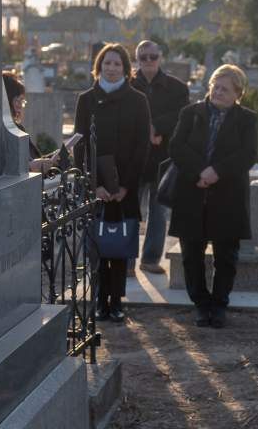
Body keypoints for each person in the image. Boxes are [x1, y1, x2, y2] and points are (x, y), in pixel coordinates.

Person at [168, 64, 257, 329]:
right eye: (215, 86)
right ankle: (201, 303)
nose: (218, 92)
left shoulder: (246, 119)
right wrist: (201, 170)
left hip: (227, 195)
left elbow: (248, 154)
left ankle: (219, 305)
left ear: (237, 93)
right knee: (191, 254)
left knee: (226, 256)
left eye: (225, 89)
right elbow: (176, 147)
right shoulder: (191, 113)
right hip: (192, 192)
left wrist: (217, 172)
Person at [73, 43, 151, 321]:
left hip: (124, 186)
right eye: (107, 63)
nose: (112, 68)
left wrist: (125, 186)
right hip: (97, 186)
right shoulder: (86, 99)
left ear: (127, 69)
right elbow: (79, 144)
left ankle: (116, 301)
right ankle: (97, 299)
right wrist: (94, 185)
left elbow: (142, 146)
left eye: (118, 64)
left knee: (119, 245)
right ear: (99, 66)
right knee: (96, 245)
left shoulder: (138, 100)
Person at [130, 40, 189, 275]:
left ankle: (151, 259)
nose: (148, 62)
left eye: (152, 57)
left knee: (158, 211)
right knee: (131, 211)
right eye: (142, 57)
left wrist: (158, 127)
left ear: (160, 57)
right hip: (134, 156)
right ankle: (126, 261)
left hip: (163, 157)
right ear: (137, 60)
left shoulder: (177, 87)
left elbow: (183, 115)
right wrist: (147, 130)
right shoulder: (128, 84)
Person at [1, 71, 52, 173]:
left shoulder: (18, 128)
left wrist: (51, 159)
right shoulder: (0, 132)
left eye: (22, 101)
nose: (20, 105)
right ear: (6, 101)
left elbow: (33, 159)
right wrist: (29, 167)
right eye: (17, 100)